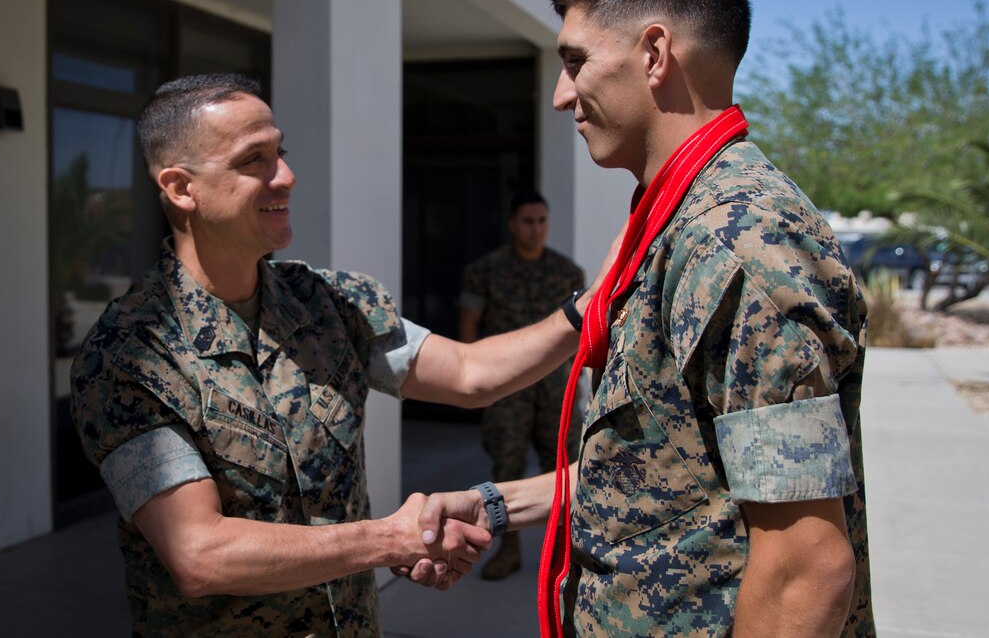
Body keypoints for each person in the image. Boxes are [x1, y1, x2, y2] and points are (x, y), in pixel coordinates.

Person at [419, 0, 875, 637]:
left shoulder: (738, 239)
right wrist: (499, 504)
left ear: (655, 55)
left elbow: (805, 568)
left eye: (575, 62)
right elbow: (665, 471)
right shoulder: (674, 223)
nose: (560, 94)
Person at [70, 73, 604, 637]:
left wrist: (584, 312)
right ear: (181, 188)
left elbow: (471, 374)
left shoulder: (328, 304)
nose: (288, 176)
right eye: (255, 160)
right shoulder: (130, 353)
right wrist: (388, 539)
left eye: (281, 152)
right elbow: (200, 553)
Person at [458, 190, 585, 580]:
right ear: (514, 224)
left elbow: (581, 331)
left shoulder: (568, 272)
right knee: (507, 469)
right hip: (507, 390)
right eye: (528, 221)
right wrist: (470, 385)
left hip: (555, 390)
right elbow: (469, 328)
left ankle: (566, 554)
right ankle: (508, 551)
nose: (536, 229)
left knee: (563, 470)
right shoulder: (485, 269)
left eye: (542, 221)